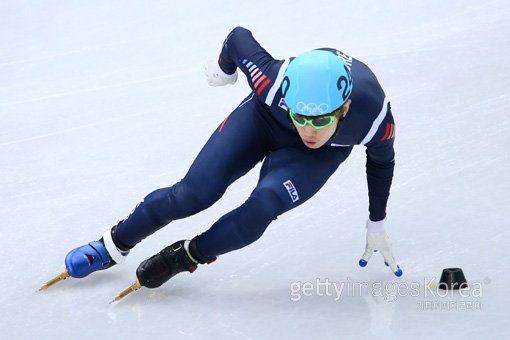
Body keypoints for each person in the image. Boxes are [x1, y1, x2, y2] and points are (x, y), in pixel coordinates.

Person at [64, 26, 402, 291]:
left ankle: (188, 255)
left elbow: (382, 163)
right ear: (289, 100)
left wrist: (376, 222)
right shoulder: (272, 82)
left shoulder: (374, 119)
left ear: (344, 109)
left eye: (320, 120)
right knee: (192, 194)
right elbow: (237, 37)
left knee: (263, 206)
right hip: (263, 119)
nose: (308, 131)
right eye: (301, 116)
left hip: (321, 155)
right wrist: (225, 70)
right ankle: (111, 245)